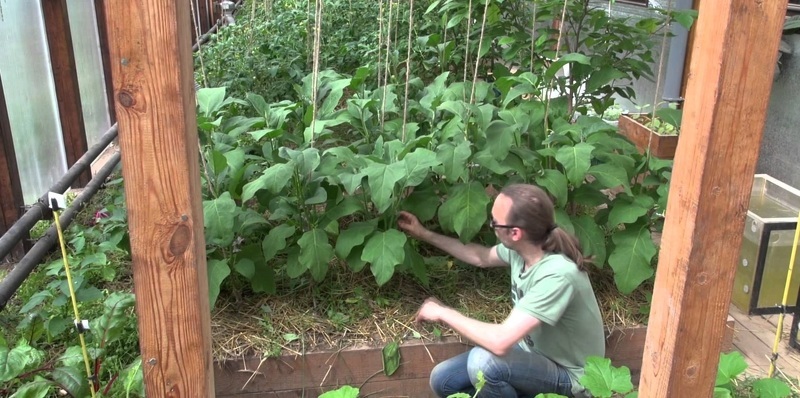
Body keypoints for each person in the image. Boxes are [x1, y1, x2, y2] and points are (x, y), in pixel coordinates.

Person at [397, 184, 604, 398]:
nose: (491, 225)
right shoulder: (524, 249)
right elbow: (481, 257)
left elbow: (500, 342)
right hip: (533, 355)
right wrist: (424, 234)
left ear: (515, 233)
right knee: (444, 379)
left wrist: (443, 312)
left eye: (494, 222)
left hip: (573, 377)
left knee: (483, 363)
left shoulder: (557, 275)